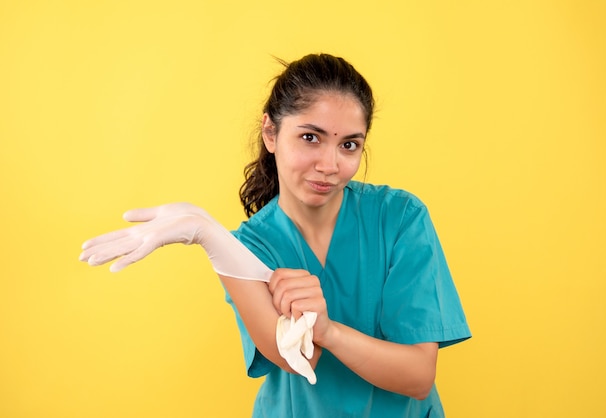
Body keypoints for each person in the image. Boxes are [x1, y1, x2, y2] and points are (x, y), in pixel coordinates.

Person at [79, 53, 471, 417]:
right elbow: (294, 357)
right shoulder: (250, 246)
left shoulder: (399, 217)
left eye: (349, 145)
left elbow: (418, 375)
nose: (330, 165)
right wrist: (207, 234)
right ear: (271, 133)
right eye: (310, 138)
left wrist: (328, 331)